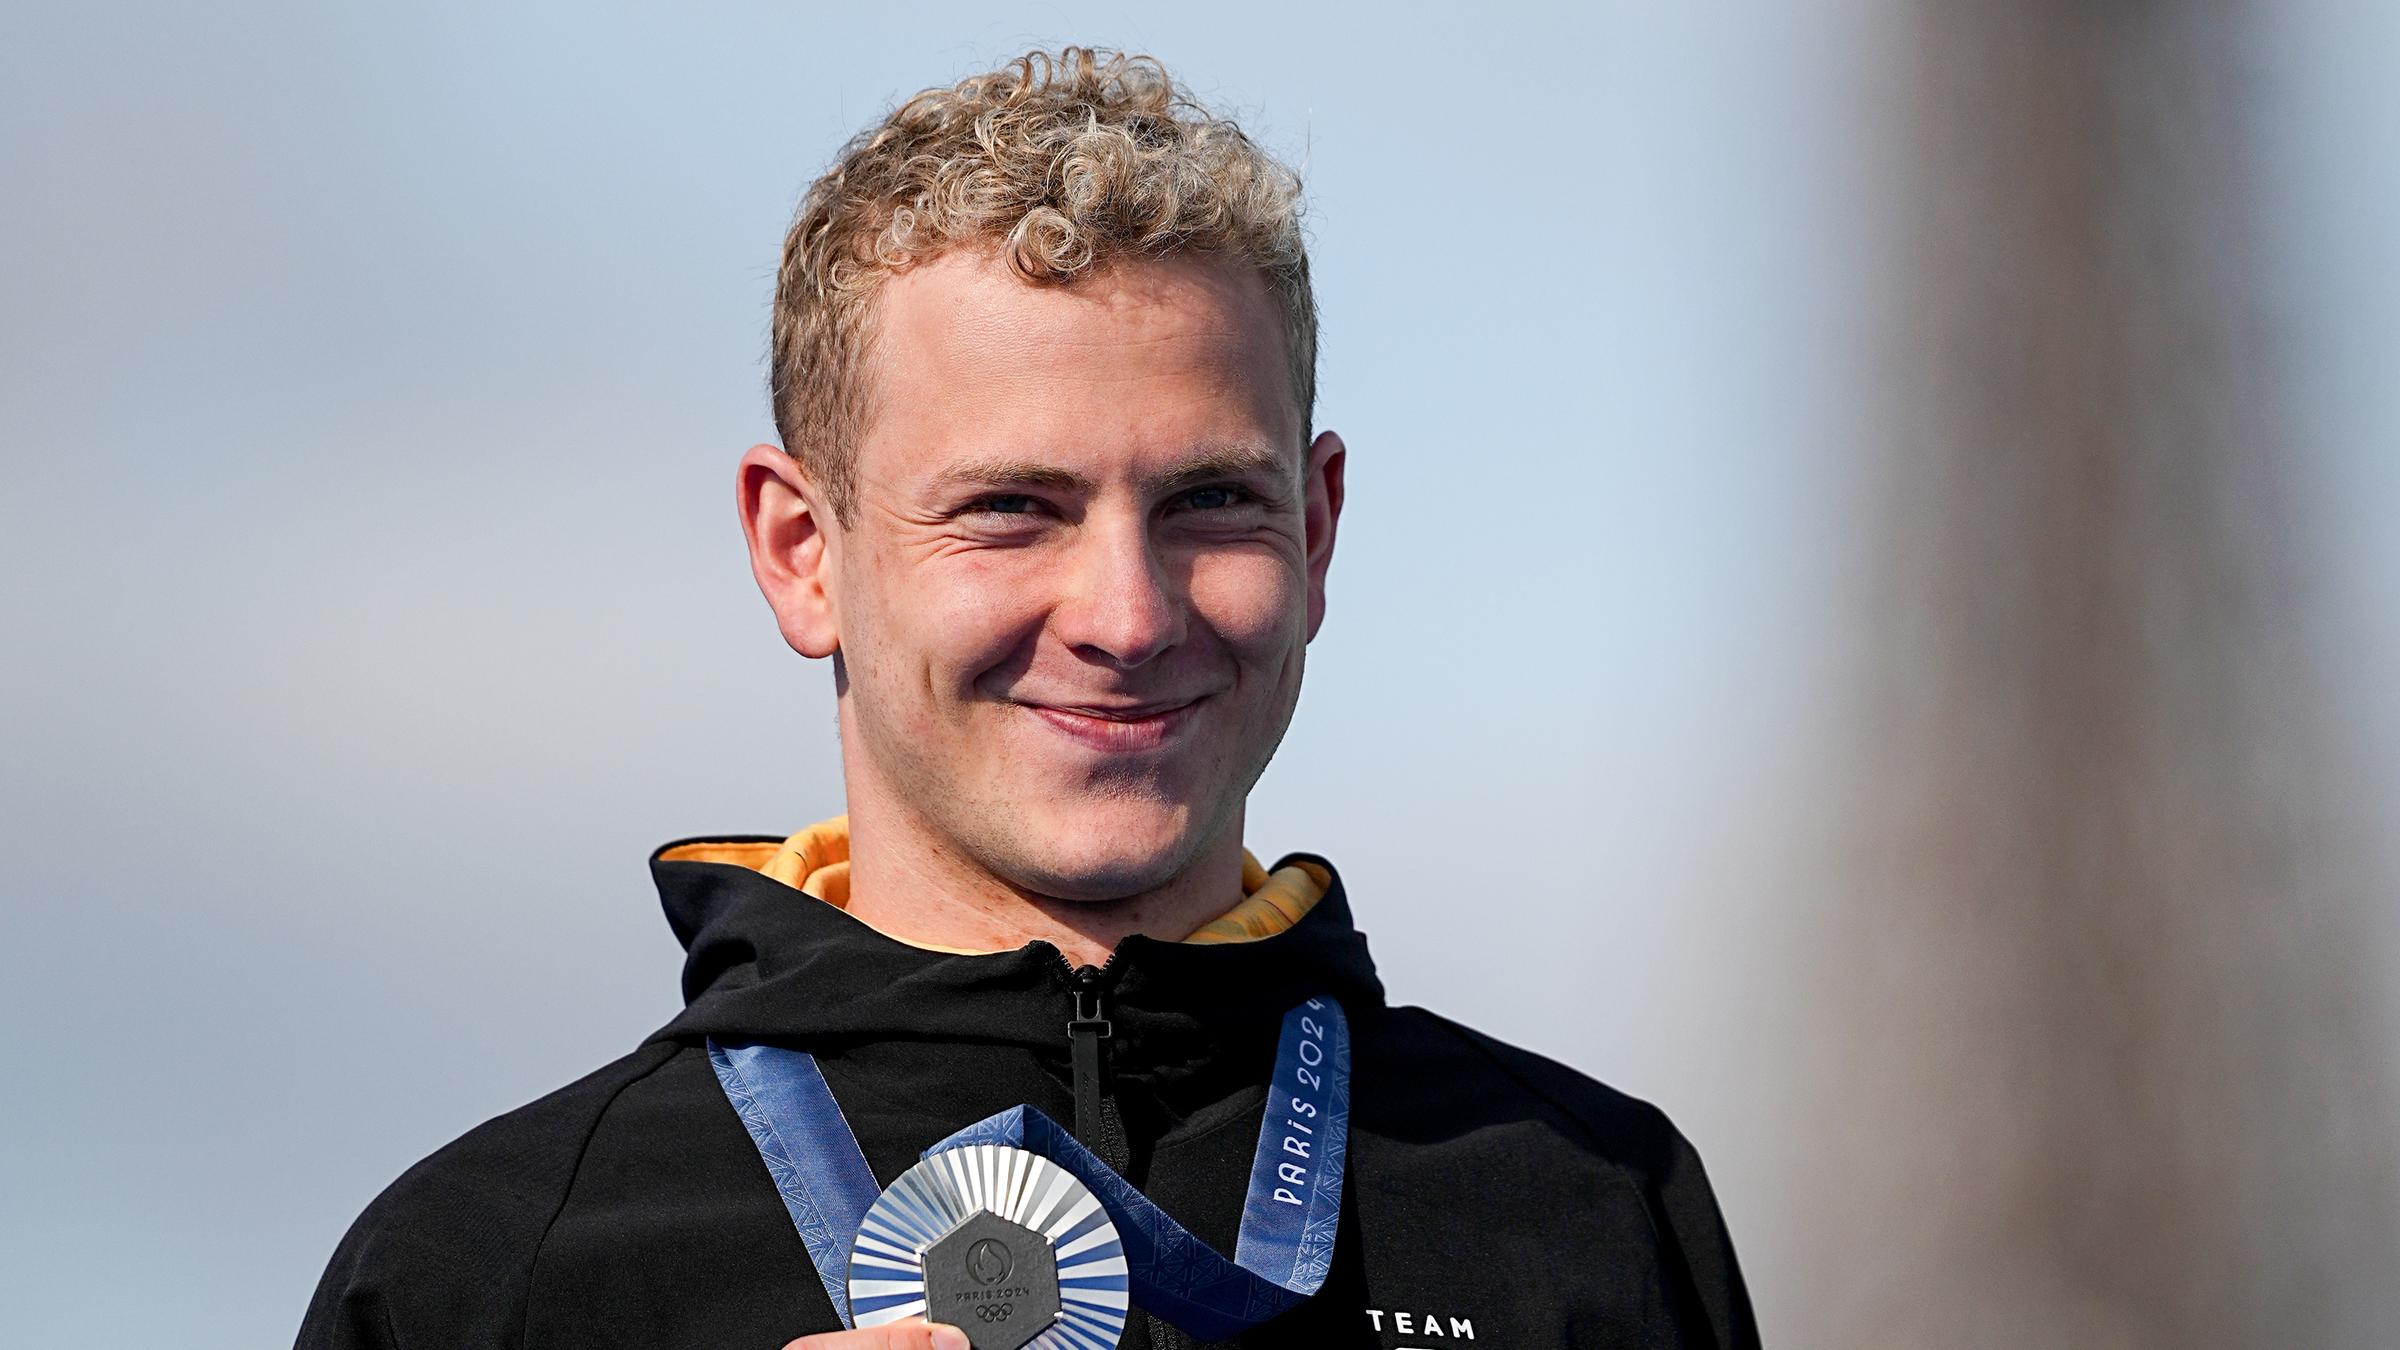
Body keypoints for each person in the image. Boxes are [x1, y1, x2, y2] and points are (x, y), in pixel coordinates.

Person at [296, 46, 1759, 1350]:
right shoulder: (487, 1272)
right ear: (804, 552)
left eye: (1209, 502)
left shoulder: (1586, 1206)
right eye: (1010, 509)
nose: (1126, 616)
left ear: (1315, 534)